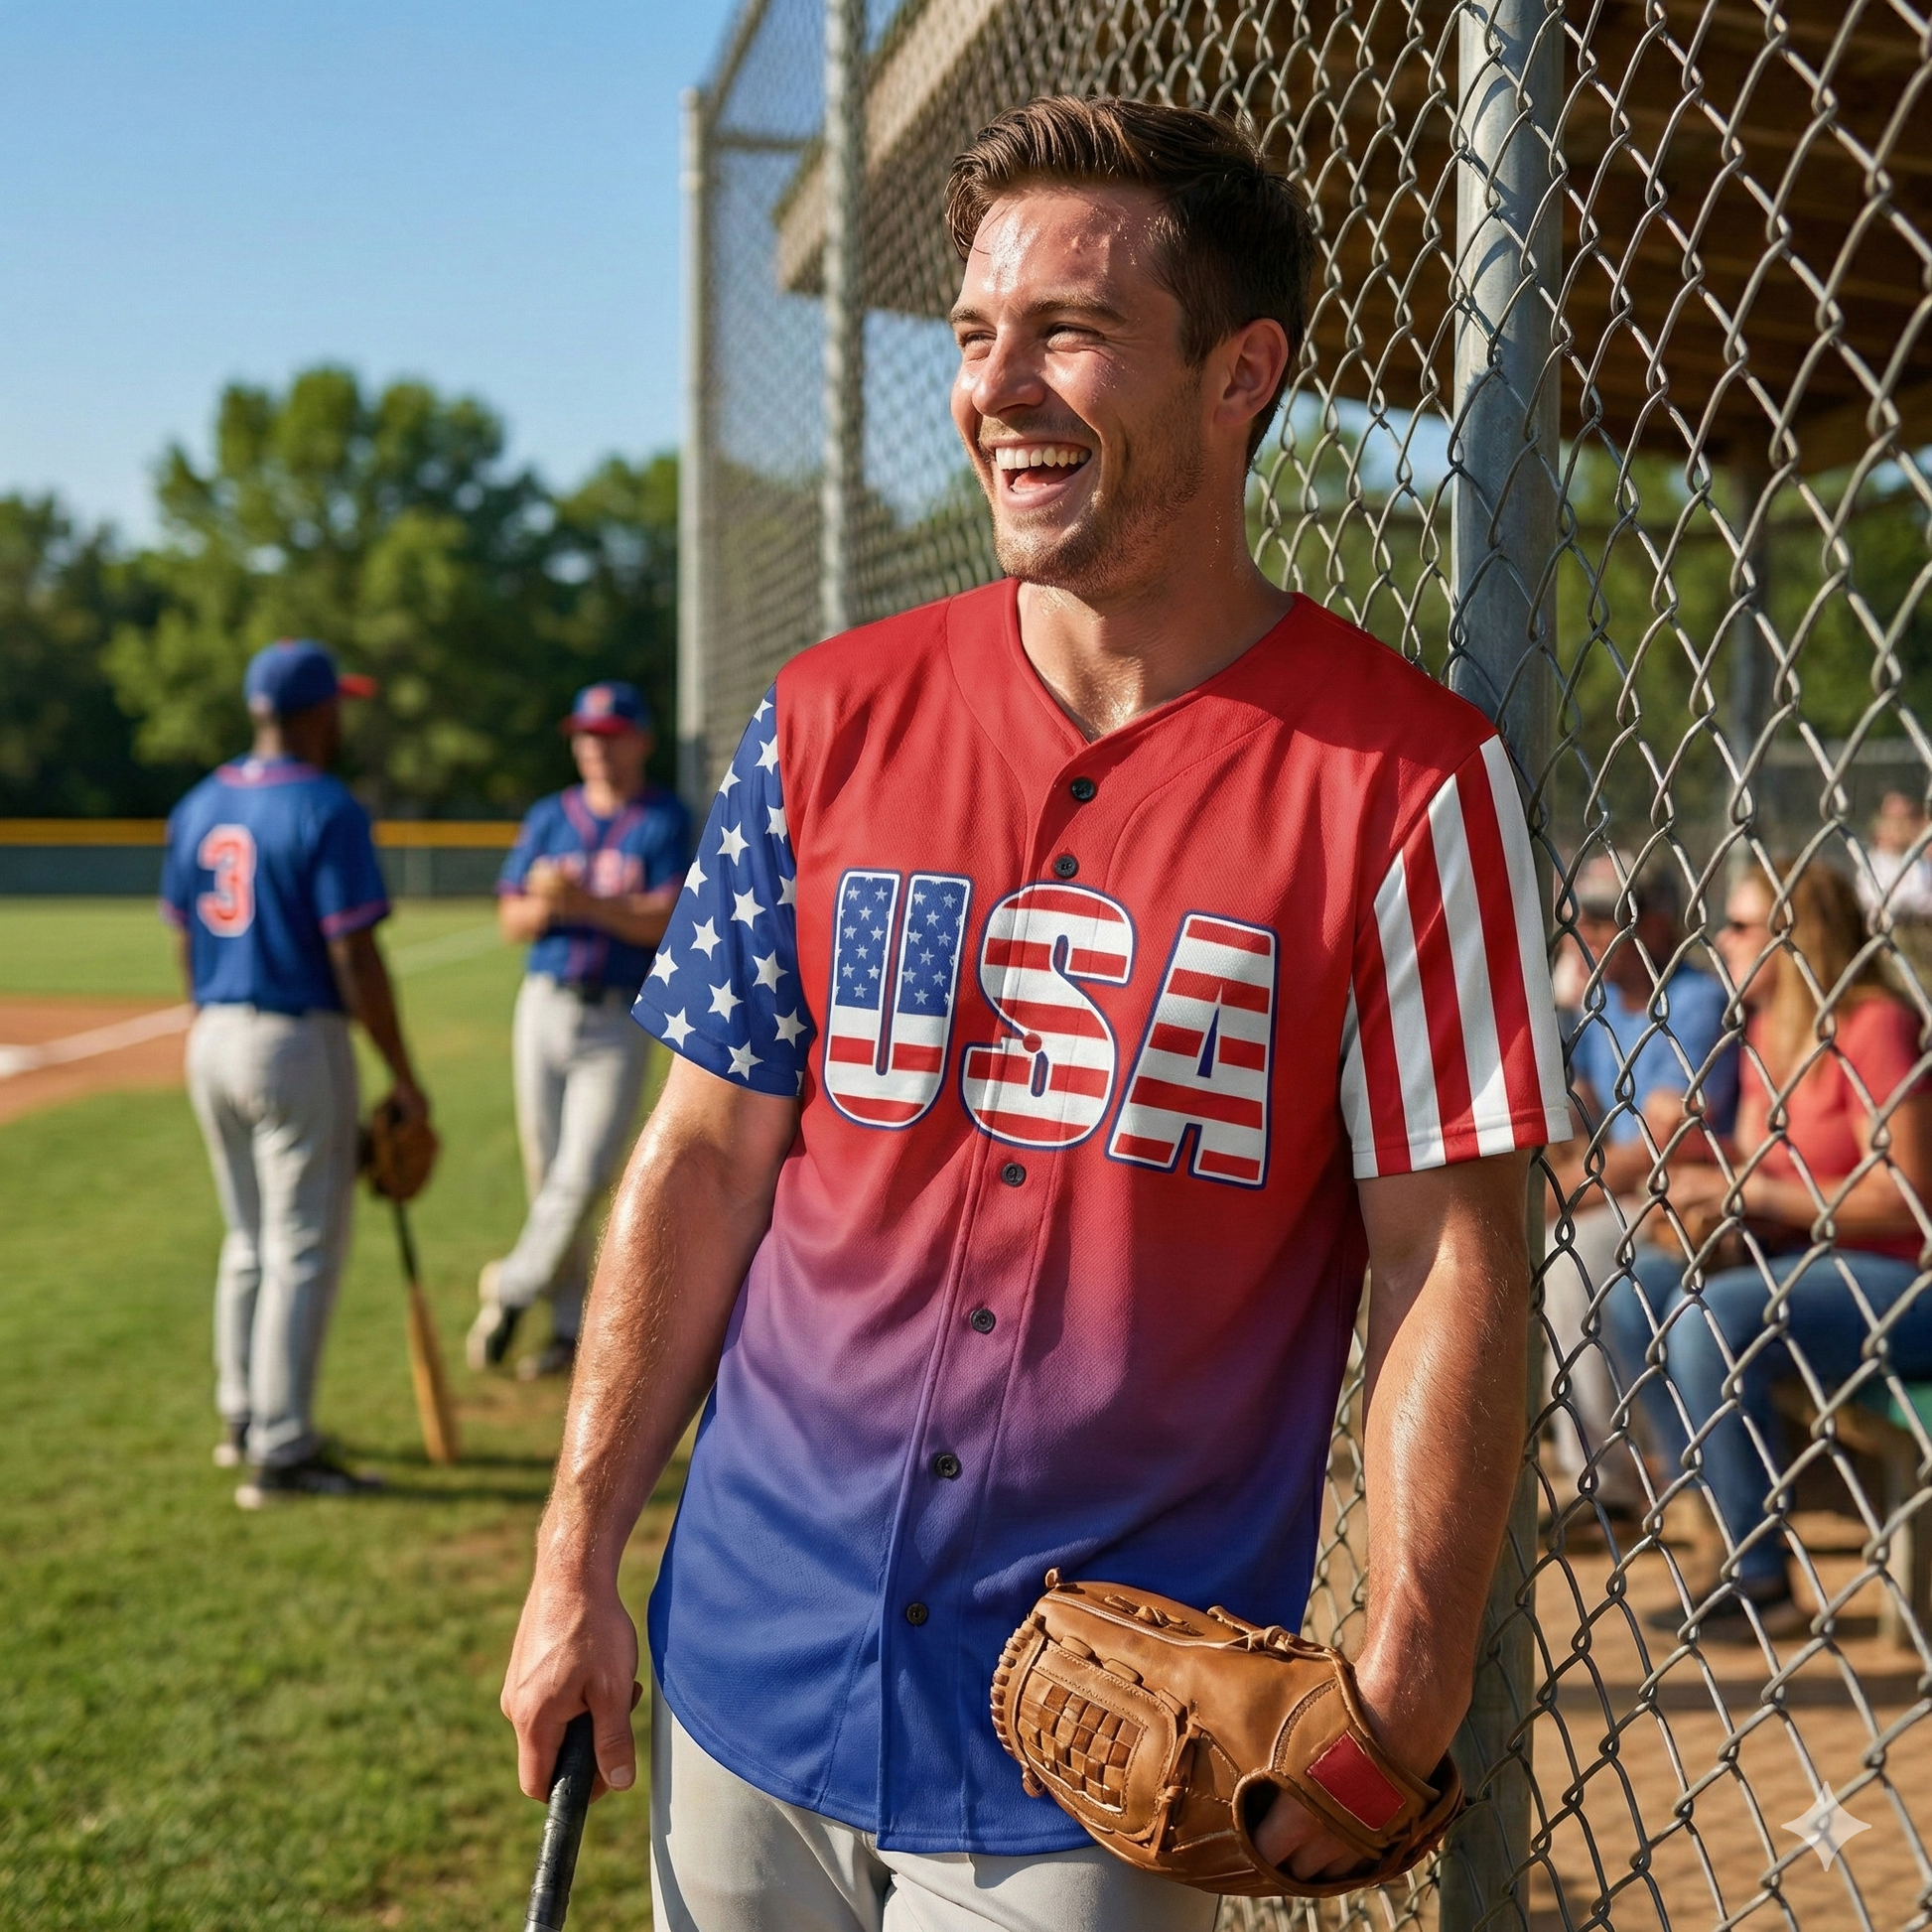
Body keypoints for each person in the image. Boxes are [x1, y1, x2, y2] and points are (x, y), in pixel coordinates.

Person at [501, 97, 1570, 1929]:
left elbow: (1447, 1251)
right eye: (975, 332)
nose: (995, 386)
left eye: (1068, 331)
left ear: (1241, 375)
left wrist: (1405, 1680)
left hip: (1091, 1740)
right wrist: (571, 1552)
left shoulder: (1407, 781)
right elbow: (700, 1158)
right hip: (743, 1657)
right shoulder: (823, 717)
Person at [1603, 857, 1932, 1636]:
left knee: (1709, 1317)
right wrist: (1699, 1174)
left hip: (1898, 1277)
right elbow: (1758, 1162)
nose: (1722, 938)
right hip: (1806, 1260)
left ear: (1799, 934)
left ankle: (1761, 1579)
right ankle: (1712, 1514)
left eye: (1742, 925)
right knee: (1635, 1292)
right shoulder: (1768, 1030)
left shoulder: (1874, 1024)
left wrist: (1754, 1196)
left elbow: (1908, 1195)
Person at [161, 638, 430, 1508]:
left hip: (211, 1034)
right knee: (302, 1249)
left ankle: (242, 1415)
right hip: (293, 1039)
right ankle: (283, 1452)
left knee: (247, 1240)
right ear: (317, 713)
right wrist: (403, 1075)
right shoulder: (325, 804)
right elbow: (354, 953)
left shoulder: (199, 802)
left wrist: (207, 1018)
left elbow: (180, 932)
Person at [472, 682, 689, 1380]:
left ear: (640, 741)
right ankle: (567, 1327)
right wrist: (549, 904)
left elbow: (665, 921)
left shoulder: (662, 818)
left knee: (583, 1174)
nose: (596, 747)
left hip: (618, 1014)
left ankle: (512, 1287)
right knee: (548, 1175)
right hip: (543, 1004)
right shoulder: (550, 815)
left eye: (610, 734)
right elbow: (511, 921)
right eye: (586, 735)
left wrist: (585, 902)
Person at [1543, 852, 1736, 1520]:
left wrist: (1562, 1192)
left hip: (1682, 1196)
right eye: (1582, 919)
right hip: (1619, 1189)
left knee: (1574, 1252)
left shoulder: (1695, 1000)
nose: (1587, 933)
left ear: (1653, 924)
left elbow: (1661, 1142)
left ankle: (1609, 1481)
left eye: (1604, 919)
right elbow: (1590, 1113)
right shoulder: (1602, 1004)